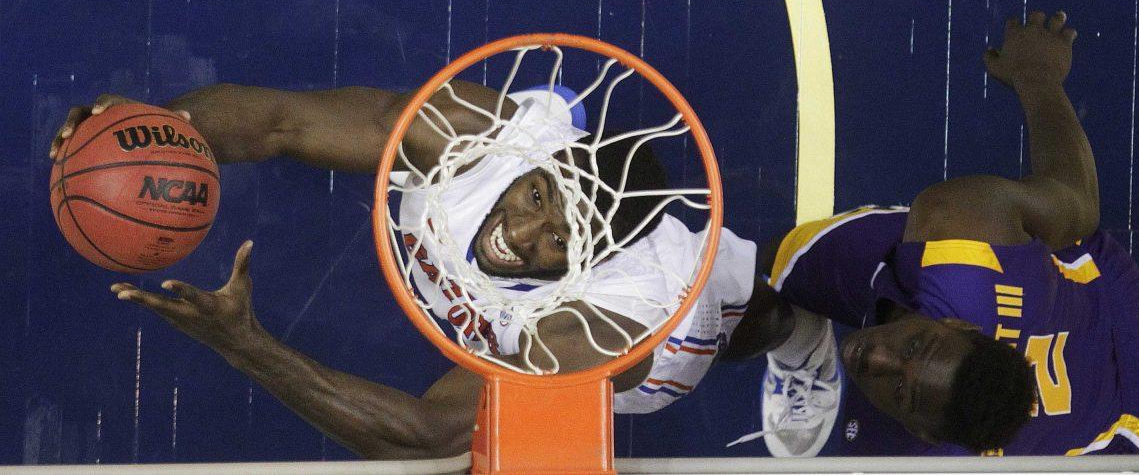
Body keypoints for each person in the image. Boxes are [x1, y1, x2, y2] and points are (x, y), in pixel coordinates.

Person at [49, 76, 818, 459]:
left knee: (738, 313)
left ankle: (794, 334)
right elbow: (281, 120)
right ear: (530, 161)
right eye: (539, 194)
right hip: (557, 279)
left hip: (659, 337)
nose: (522, 231)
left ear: (584, 263)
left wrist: (243, 342)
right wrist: (164, 130)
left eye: (559, 240)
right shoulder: (475, 134)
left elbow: (425, 433)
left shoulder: (600, 321)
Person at [755, 11, 1139, 456]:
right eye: (915, 345)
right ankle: (803, 349)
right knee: (770, 265)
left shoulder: (924, 455)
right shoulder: (962, 230)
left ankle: (816, 359)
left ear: (930, 437)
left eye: (901, 388)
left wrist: (915, 367)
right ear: (957, 324)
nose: (876, 357)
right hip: (1046, 277)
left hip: (975, 398)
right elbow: (1078, 202)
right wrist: (1038, 75)